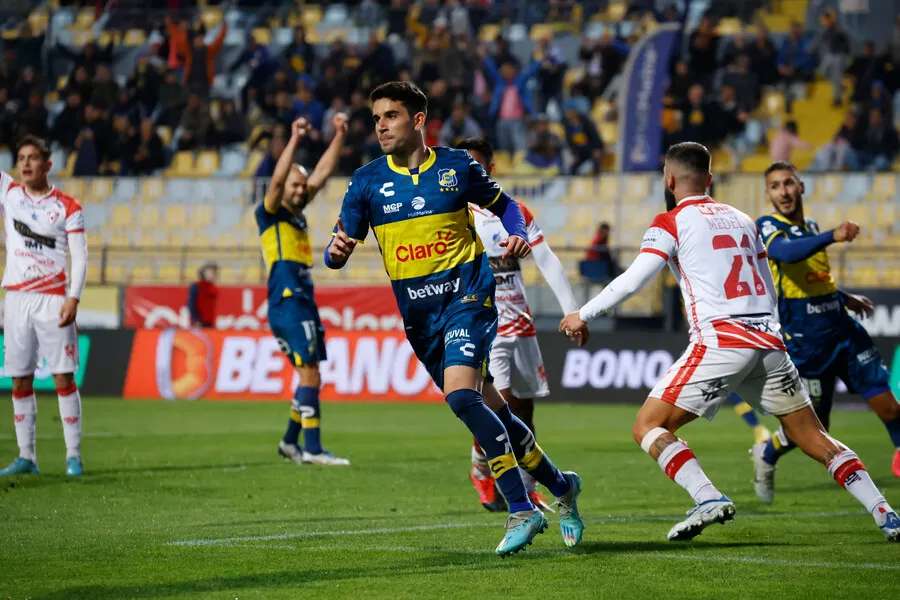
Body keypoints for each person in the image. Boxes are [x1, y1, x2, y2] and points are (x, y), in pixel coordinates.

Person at [559, 142, 900, 543]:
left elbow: (634, 280)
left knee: (648, 426)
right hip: (770, 343)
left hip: (722, 340)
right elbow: (769, 286)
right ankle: (885, 512)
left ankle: (706, 496)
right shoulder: (743, 219)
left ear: (669, 180)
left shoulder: (670, 221)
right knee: (814, 435)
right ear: (710, 179)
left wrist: (583, 314)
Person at [325, 81, 584, 555]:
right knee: (496, 412)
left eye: (391, 115)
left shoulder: (457, 166)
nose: (381, 124)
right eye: (377, 116)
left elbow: (508, 210)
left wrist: (518, 236)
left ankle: (521, 508)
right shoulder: (364, 182)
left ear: (418, 120)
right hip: (420, 318)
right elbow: (338, 249)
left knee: (462, 398)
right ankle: (563, 486)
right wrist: (336, 250)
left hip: (468, 297)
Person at [749, 161, 900, 502]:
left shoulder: (811, 225)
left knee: (890, 408)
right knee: (816, 431)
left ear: (801, 186)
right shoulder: (768, 227)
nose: (784, 192)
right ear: (769, 194)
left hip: (844, 332)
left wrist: (845, 299)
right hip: (807, 342)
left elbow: (814, 279)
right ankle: (767, 453)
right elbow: (785, 254)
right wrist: (833, 236)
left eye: (789, 183)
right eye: (775, 186)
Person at [457, 137, 586, 513]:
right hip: (485, 322)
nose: (470, 172)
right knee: (501, 407)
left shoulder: (513, 212)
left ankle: (530, 485)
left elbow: (548, 262)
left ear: (490, 170)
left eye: (477, 165)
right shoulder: (452, 214)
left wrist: (572, 312)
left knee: (525, 410)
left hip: (522, 323)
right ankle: (483, 470)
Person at [257, 113, 351, 467]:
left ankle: (289, 443)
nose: (300, 189)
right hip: (287, 300)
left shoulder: (296, 213)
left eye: (302, 186)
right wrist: (295, 137)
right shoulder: (269, 213)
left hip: (302, 298)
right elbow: (279, 179)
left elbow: (323, 173)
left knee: (310, 374)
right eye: (294, 186)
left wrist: (339, 133)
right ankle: (312, 448)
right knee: (310, 372)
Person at [0, 136, 88, 477]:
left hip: (53, 299)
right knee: (19, 380)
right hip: (17, 298)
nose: (25, 164)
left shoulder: (68, 206)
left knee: (63, 377)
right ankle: (27, 457)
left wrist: (73, 297)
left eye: (32, 158)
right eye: (20, 157)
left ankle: (74, 456)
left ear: (47, 165)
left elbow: (79, 256)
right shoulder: (9, 195)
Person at [187, 264, 219, 328]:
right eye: (210, 272)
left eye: (214, 272)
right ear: (203, 273)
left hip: (209, 322)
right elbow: (191, 304)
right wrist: (196, 319)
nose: (213, 274)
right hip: (199, 323)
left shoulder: (213, 287)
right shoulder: (196, 286)